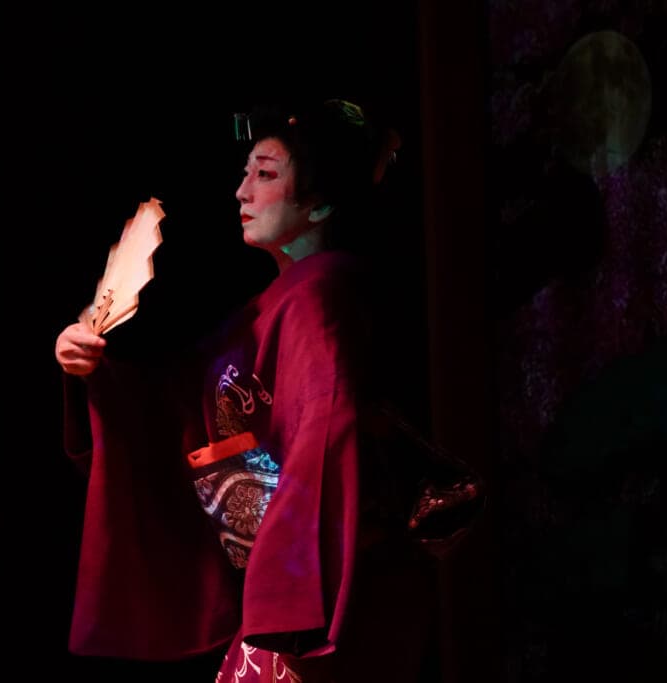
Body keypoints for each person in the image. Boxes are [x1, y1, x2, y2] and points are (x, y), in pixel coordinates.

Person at [55, 98, 458, 682]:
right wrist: (92, 370)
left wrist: (290, 594)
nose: (241, 192)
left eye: (265, 175)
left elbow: (325, 434)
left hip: (324, 589)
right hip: (296, 587)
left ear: (321, 202)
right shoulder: (272, 307)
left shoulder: (321, 298)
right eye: (245, 174)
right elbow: (176, 407)